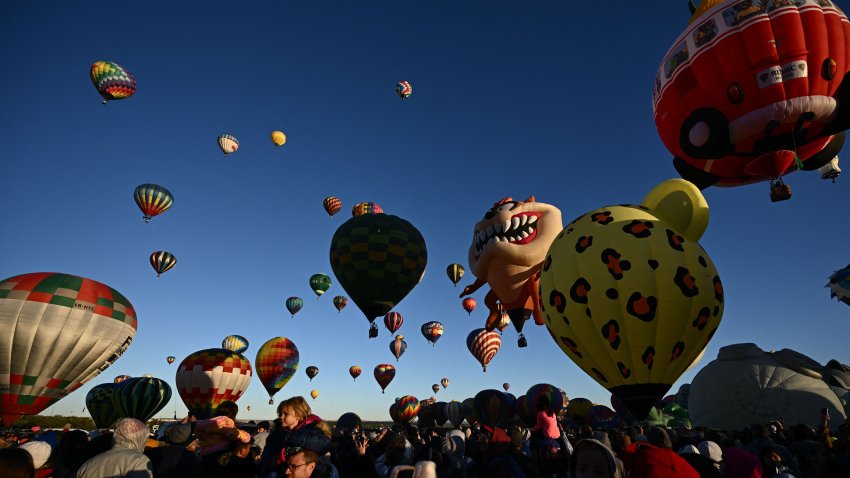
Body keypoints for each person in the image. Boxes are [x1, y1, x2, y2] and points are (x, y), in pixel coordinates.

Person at [260, 396, 326, 477]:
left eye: (285, 414)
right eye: (280, 414)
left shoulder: (311, 433)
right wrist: (279, 458)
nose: (281, 417)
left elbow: (323, 447)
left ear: (298, 415)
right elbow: (266, 458)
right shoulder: (276, 435)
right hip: (279, 471)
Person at [76, 418, 153, 478]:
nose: (145, 443)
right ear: (139, 438)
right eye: (145, 439)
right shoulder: (139, 460)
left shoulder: (89, 463)